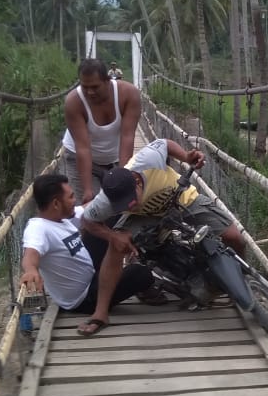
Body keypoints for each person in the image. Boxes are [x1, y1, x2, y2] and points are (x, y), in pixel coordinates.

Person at [80, 139, 244, 327]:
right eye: (122, 205)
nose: (128, 206)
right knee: (116, 246)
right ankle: (100, 312)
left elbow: (164, 143)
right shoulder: (104, 202)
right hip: (146, 215)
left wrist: (186, 156)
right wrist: (113, 236)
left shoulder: (148, 160)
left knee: (234, 237)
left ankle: (240, 282)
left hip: (182, 198)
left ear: (136, 181)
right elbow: (87, 221)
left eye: (131, 200)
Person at [20, 174, 153, 336]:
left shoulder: (62, 218)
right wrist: (31, 270)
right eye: (70, 197)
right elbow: (31, 253)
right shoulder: (38, 229)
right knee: (142, 274)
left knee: (104, 217)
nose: (74, 200)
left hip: (90, 270)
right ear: (56, 203)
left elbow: (94, 206)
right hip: (83, 298)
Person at [60, 59, 141, 205]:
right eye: (85, 87)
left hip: (114, 158)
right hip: (80, 159)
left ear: (108, 80)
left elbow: (127, 137)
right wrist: (87, 189)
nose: (90, 92)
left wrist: (122, 178)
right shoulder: (74, 102)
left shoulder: (128, 94)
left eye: (95, 87)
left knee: (120, 205)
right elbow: (82, 148)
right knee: (89, 211)